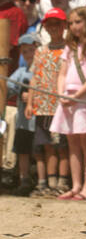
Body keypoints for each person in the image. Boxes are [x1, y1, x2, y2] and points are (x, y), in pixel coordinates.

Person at [49, 7, 86, 200]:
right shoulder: (69, 47)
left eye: (78, 22)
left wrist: (76, 95)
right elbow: (62, 73)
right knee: (72, 144)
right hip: (67, 98)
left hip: (82, 98)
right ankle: (76, 185)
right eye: (71, 23)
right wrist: (61, 94)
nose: (74, 27)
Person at [7, 37, 37, 195]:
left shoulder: (42, 70)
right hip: (24, 121)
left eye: (31, 50)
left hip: (39, 120)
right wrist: (20, 92)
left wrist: (34, 96)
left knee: (39, 151)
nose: (28, 54)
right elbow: (8, 87)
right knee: (23, 150)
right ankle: (23, 179)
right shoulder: (21, 72)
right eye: (24, 51)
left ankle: (39, 180)